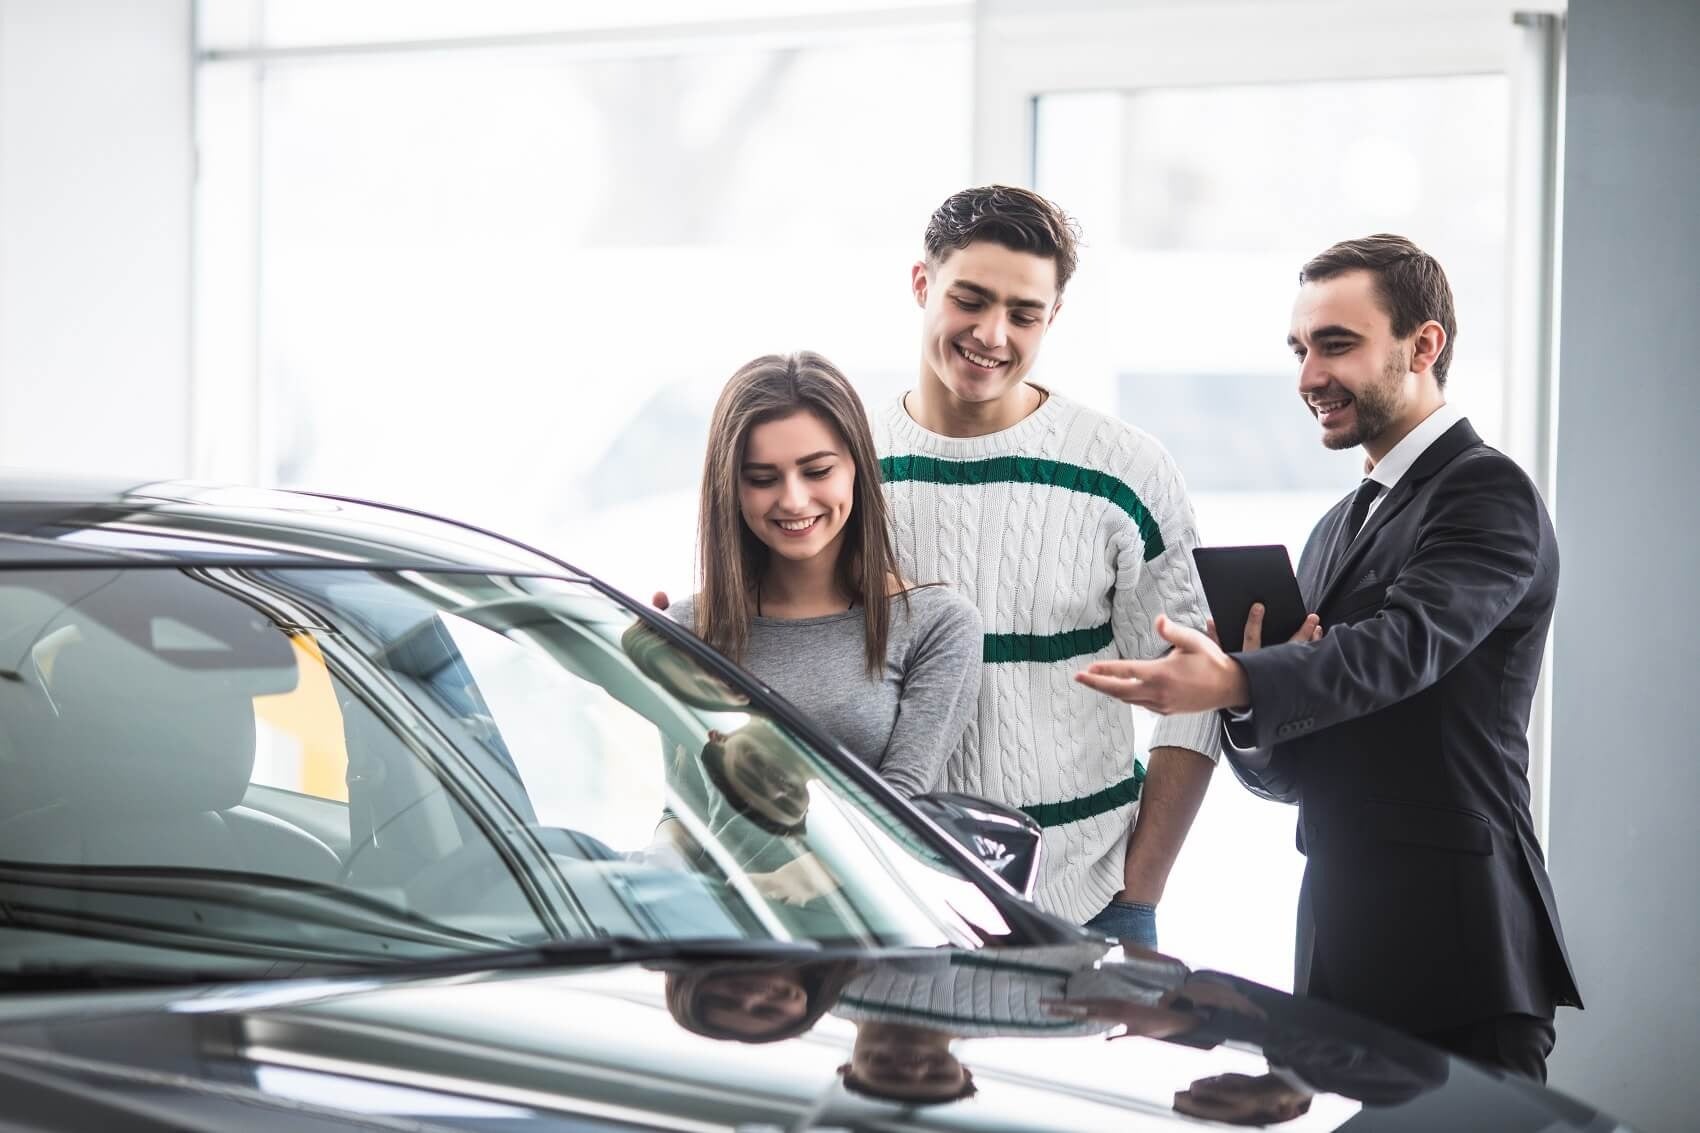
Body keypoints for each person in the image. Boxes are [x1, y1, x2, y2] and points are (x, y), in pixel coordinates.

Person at [1074, 234, 1582, 1080]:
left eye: (1336, 345)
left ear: (1424, 346)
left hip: (1463, 951)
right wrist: (1245, 701)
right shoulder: (1335, 527)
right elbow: (1292, 773)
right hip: (1338, 945)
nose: (1309, 376)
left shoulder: (1488, 495)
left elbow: (1402, 648)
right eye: (1301, 349)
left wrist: (1237, 676)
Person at [873, 185, 1220, 946]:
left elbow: (1194, 690)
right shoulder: (846, 468)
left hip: (1090, 904)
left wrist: (1140, 889)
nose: (993, 333)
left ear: (1052, 317)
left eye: (1024, 313)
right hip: (891, 902)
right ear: (922, 285)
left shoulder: (1123, 468)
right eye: (970, 299)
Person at [666, 351, 982, 804]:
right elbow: (683, 812)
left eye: (817, 471)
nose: (794, 500)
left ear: (857, 467)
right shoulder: (689, 629)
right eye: (761, 478)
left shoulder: (936, 625)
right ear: (730, 487)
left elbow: (897, 817)